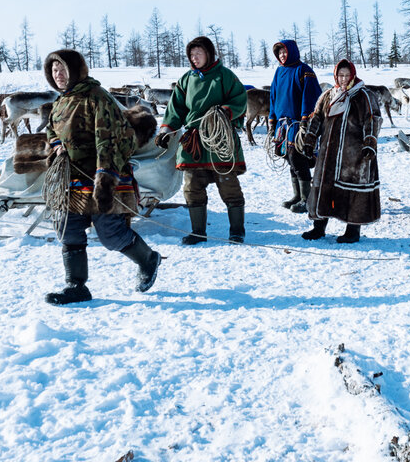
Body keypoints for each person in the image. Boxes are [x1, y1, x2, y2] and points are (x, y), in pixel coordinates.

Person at [42, 49, 161, 305]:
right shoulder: (61, 101)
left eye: (63, 69)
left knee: (110, 233)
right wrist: (56, 146)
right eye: (54, 71)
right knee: (68, 228)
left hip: (103, 174)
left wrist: (105, 179)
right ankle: (76, 286)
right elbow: (51, 130)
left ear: (76, 70)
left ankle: (148, 259)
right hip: (71, 178)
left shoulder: (96, 97)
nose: (59, 75)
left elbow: (109, 141)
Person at [155, 36, 249, 245]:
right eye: (191, 55)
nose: (194, 58)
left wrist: (224, 111)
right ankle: (198, 232)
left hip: (220, 140)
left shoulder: (225, 76)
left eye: (198, 53)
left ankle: (237, 231)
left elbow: (240, 100)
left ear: (209, 53)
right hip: (194, 142)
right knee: (192, 186)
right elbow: (175, 108)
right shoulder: (186, 80)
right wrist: (166, 131)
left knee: (229, 186)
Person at [297, 58, 381, 243]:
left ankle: (352, 231)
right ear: (335, 75)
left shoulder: (363, 95)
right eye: (340, 75)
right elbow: (316, 118)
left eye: (347, 75)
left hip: (354, 155)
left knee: (352, 191)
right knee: (322, 188)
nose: (343, 79)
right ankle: (318, 228)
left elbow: (372, 120)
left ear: (353, 75)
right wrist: (309, 140)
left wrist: (369, 143)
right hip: (328, 154)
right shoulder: (328, 95)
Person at [268, 40, 323, 213]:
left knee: (297, 158)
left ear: (292, 51)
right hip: (282, 125)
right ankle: (298, 195)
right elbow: (273, 96)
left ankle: (307, 199)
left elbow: (311, 97)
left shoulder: (304, 71)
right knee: (289, 158)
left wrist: (306, 121)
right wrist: (272, 120)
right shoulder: (279, 71)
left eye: (284, 52)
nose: (282, 55)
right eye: (280, 53)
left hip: (298, 124)